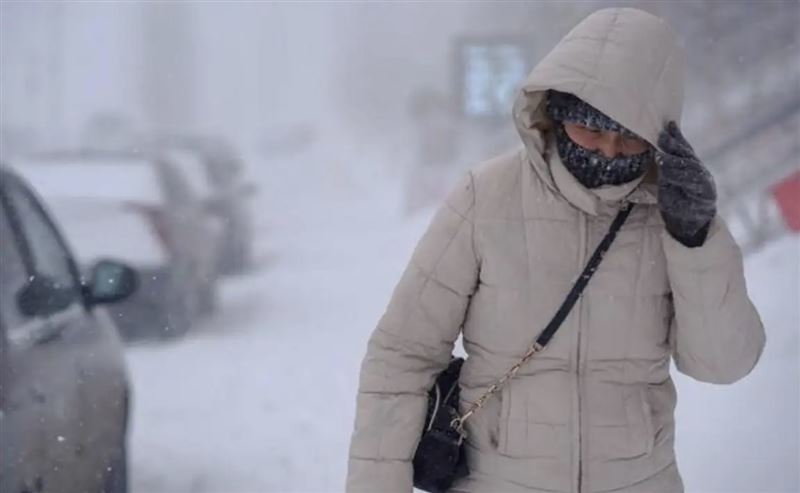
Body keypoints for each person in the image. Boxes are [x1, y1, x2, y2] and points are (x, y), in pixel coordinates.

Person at [346, 7, 765, 493]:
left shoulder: (673, 214)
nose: (608, 152)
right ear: (557, 111)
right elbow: (403, 354)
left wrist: (695, 239)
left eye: (629, 136)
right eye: (591, 128)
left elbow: (723, 363)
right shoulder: (486, 198)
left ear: (658, 133)